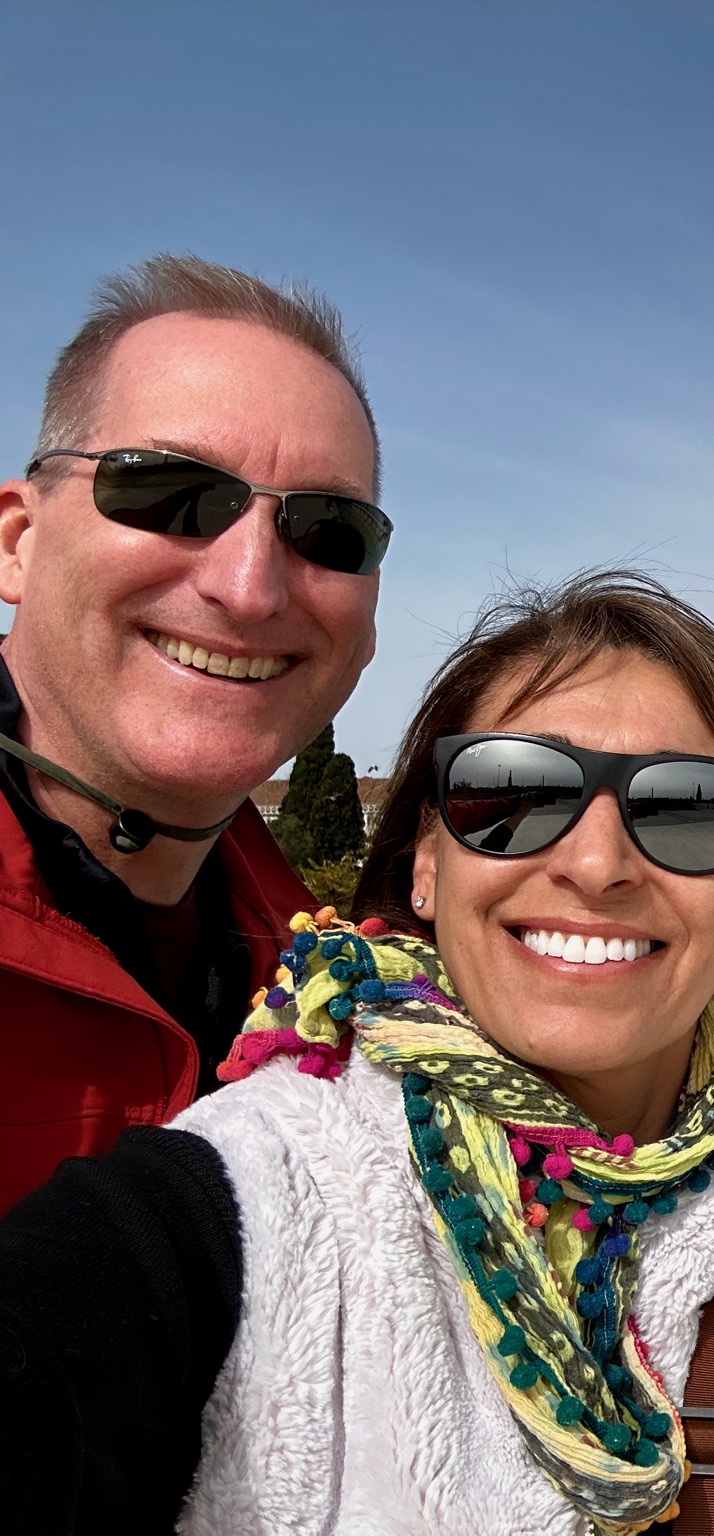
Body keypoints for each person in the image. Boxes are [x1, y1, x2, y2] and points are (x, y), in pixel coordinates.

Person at [0, 572, 714, 1532]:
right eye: (510, 798)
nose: (597, 865)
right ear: (425, 861)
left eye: (685, 809)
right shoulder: (244, 1204)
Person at [0, 255, 388, 1213]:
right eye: (171, 494)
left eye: (328, 531)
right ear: (18, 540)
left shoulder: (350, 999)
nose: (249, 587)